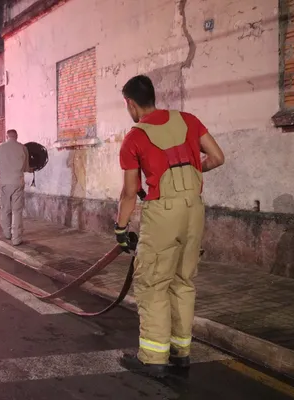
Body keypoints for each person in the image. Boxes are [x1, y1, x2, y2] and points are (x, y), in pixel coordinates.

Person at [115, 75, 225, 378]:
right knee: (183, 280)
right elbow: (217, 157)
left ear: (131, 104)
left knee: (153, 283)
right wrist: (188, 173)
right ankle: (181, 353)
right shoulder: (188, 120)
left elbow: (129, 192)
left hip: (162, 213)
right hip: (194, 209)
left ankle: (153, 357)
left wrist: (120, 230)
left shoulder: (134, 137)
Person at [0, 129, 30, 246]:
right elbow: (26, 168)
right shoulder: (22, 148)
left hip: (3, 182)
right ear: (16, 136)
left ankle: (7, 233)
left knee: (5, 209)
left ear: (7, 136)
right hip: (17, 182)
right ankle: (16, 238)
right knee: (17, 211)